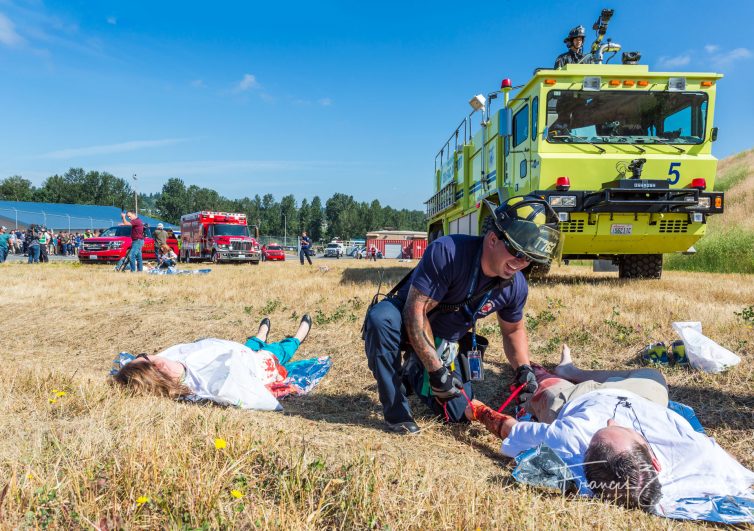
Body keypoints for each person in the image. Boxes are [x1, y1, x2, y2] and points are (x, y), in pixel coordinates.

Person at [464, 344, 754, 514]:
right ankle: (573, 371)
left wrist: (478, 411)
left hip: (579, 399)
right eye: (618, 430)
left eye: (602, 431)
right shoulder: (698, 455)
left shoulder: (568, 438)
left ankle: (561, 377)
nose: (611, 421)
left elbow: (510, 430)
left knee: (543, 385)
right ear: (653, 458)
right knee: (653, 376)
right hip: (642, 398)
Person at [363, 195, 561, 434]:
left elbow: (513, 329)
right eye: (516, 252)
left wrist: (524, 369)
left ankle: (414, 371)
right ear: (492, 239)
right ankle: (396, 411)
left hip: (444, 340)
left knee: (458, 414)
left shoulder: (515, 286)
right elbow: (414, 311)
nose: (520, 263)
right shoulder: (448, 252)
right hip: (406, 323)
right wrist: (436, 372)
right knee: (380, 319)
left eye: (528, 257)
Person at [112, 315, 314, 411]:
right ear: (156, 368)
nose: (150, 354)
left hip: (236, 352)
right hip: (252, 364)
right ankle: (297, 337)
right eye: (146, 355)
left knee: (248, 345)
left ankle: (261, 334)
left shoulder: (168, 371)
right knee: (276, 352)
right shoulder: (174, 371)